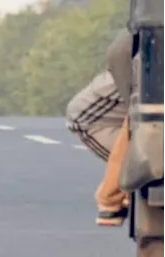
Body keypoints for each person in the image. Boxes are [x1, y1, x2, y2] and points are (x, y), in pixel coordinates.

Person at [67, 29, 133, 226]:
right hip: (98, 117)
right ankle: (114, 196)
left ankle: (117, 194)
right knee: (145, 131)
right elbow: (120, 52)